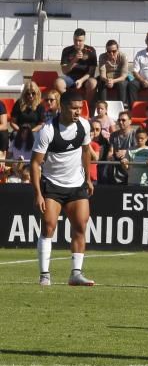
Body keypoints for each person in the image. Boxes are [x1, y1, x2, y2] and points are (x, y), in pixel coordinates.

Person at [30, 90, 95, 287]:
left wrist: (88, 178)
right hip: (53, 185)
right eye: (74, 108)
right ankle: (45, 275)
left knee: (81, 227)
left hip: (76, 185)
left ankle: (76, 274)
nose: (78, 112)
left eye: (79, 108)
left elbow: (85, 152)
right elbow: (34, 164)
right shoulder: (48, 131)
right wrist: (38, 194)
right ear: (63, 107)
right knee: (48, 227)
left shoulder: (84, 125)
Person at [56, 28, 98, 98]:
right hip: (70, 77)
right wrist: (74, 60)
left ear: (84, 40)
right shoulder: (67, 50)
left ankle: (86, 105)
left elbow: (91, 72)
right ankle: (69, 101)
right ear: (73, 38)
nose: (77, 43)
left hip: (86, 78)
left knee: (93, 83)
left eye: (80, 41)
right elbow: (64, 71)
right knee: (58, 82)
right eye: (75, 40)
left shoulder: (91, 50)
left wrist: (81, 80)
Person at [97, 39, 129, 104]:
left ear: (118, 49)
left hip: (119, 78)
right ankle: (102, 106)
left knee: (122, 84)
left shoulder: (123, 56)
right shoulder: (102, 57)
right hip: (107, 78)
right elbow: (102, 75)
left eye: (114, 51)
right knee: (101, 84)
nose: (111, 54)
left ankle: (122, 106)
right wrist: (107, 80)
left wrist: (113, 81)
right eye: (109, 51)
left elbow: (123, 76)